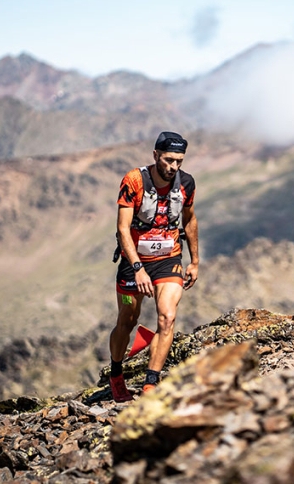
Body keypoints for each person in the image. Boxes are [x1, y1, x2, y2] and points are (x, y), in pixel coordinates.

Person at [108, 131, 199, 401]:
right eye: (169, 160)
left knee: (167, 317)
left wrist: (194, 260)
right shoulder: (134, 180)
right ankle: (115, 373)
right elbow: (123, 229)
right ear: (155, 155)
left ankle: (150, 383)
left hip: (169, 258)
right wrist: (138, 268)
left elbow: (190, 220)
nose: (173, 167)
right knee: (127, 321)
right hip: (133, 261)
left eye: (179, 161)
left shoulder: (186, 183)